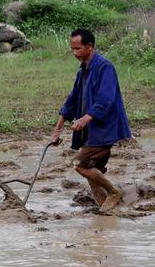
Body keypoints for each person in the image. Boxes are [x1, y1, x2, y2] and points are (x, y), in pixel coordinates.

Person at [51, 28, 131, 212]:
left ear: (90, 46)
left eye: (78, 48)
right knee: (91, 170)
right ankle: (106, 210)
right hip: (91, 130)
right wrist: (57, 130)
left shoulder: (105, 67)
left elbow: (106, 99)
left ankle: (113, 192)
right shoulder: (83, 70)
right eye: (72, 49)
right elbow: (71, 101)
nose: (74, 53)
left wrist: (86, 119)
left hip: (104, 129)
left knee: (80, 165)